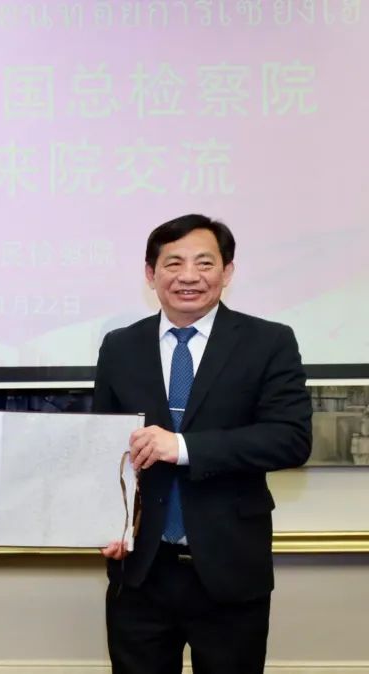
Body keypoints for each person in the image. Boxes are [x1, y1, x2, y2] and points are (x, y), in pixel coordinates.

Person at [94, 214, 311, 674]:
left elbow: (291, 439)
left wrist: (184, 447)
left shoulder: (268, 342)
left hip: (230, 568)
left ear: (227, 272)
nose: (188, 276)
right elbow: (102, 448)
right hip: (141, 573)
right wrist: (102, 523)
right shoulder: (119, 346)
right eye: (173, 263)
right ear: (150, 273)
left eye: (204, 263)